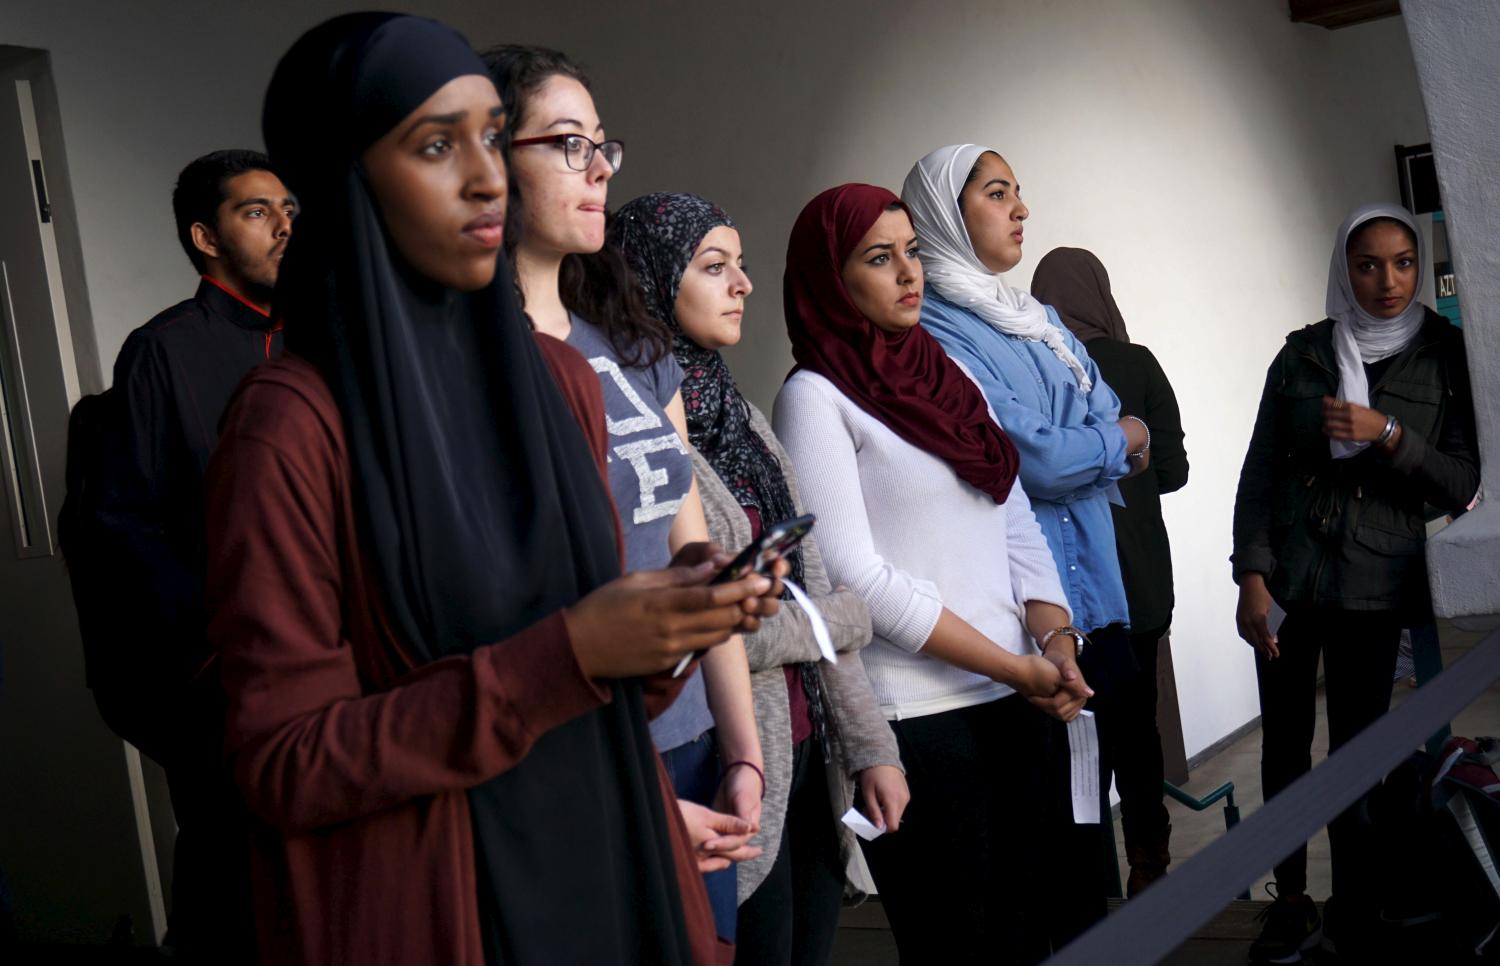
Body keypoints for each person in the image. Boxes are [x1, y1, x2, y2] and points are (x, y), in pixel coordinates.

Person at [206, 14, 780, 964]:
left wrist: (667, 627)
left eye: (487, 137)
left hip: (612, 872)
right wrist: (572, 651)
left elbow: (582, 684)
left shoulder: (555, 387)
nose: (486, 177)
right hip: (450, 910)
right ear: (348, 172)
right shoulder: (290, 430)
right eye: (436, 145)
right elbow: (284, 764)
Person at [483, 47, 766, 943]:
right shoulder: (478, 372)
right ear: (490, 158)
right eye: (570, 144)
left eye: (604, 145)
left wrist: (744, 751)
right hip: (576, 763)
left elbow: (694, 569)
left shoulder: (633, 351)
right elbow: (502, 622)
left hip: (690, 747)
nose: (601, 167)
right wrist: (626, 796)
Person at [773, 183, 1091, 964]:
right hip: (915, 720)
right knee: (955, 942)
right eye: (880, 259)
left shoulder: (950, 377)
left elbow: (1013, 519)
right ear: (831, 279)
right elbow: (853, 578)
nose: (908, 273)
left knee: (1030, 931)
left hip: (1016, 696)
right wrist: (1014, 665)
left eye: (912, 251)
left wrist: (1057, 644)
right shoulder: (815, 399)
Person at [609, 191, 909, 965]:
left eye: (741, 266)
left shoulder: (743, 419)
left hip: (809, 756)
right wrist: (839, 616)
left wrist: (872, 749)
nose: (743, 284)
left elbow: (790, 583)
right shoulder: (638, 434)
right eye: (715, 267)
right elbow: (704, 623)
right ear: (648, 283)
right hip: (732, 766)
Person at [902, 144, 1143, 933]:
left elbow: (1102, 413)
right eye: (997, 193)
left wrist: (1098, 436)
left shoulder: (1034, 318)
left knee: (1091, 817)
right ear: (945, 212)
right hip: (1027, 617)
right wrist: (1111, 441)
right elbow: (1032, 458)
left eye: (1018, 193)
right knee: (1041, 845)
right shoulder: (933, 332)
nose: (1020, 210)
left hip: (1096, 600)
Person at [1232, 202, 1479, 962]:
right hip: (1291, 581)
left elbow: (1462, 481)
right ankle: (1291, 899)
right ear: (1346, 268)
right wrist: (1251, 574)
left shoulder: (1446, 356)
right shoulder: (1304, 356)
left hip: (1377, 582)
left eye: (1404, 262)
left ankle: (1355, 905)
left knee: (1358, 755)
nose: (1388, 281)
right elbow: (1262, 472)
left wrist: (1391, 435)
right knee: (1282, 750)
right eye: (1368, 264)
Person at [83, 148, 294, 961]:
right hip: (221, 681)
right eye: (256, 212)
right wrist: (215, 655)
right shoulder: (163, 353)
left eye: (289, 210)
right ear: (206, 238)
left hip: (331, 672)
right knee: (231, 887)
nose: (284, 226)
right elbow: (126, 526)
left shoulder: (327, 335)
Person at [1031, 246, 1189, 896]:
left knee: (1075, 744)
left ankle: (1086, 886)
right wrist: (1130, 450)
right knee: (1139, 733)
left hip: (1062, 596)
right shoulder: (1136, 363)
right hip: (1140, 586)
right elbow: (1174, 471)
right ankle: (1149, 868)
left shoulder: (1030, 371)